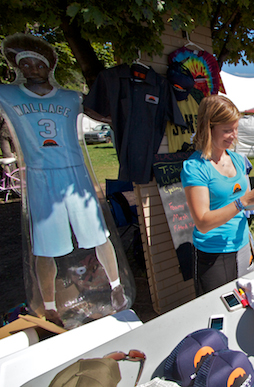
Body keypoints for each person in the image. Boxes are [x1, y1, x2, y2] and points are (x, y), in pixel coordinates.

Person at [0, 33, 128, 326]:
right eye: (27, 63)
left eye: (38, 63)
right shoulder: (8, 94)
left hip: (74, 171)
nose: (33, 69)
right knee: (44, 245)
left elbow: (106, 116)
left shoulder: (71, 98)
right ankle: (48, 304)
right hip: (39, 174)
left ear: (50, 66)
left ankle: (117, 286)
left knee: (98, 234)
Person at [181, 95, 254, 295]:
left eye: (236, 128)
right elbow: (202, 222)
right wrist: (242, 201)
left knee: (245, 302)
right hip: (213, 254)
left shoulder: (238, 160)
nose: (234, 135)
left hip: (242, 245)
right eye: (227, 130)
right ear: (208, 128)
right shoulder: (195, 167)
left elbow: (246, 205)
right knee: (218, 309)